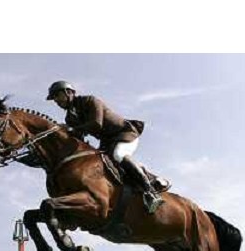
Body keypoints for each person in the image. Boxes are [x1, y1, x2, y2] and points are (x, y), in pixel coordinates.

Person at [46, 80, 170, 213]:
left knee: (118, 155)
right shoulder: (70, 118)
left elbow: (96, 124)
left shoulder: (90, 100)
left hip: (124, 133)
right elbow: (78, 138)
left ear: (68, 92)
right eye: (54, 99)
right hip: (107, 141)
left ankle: (151, 193)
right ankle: (153, 179)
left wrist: (70, 129)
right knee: (101, 164)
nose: (56, 101)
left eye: (57, 96)